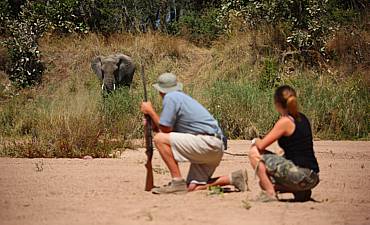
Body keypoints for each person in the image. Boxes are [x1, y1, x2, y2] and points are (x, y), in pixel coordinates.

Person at [140, 72, 247, 194]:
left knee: (159, 139)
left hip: (207, 144)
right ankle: (232, 178)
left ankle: (177, 181)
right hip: (214, 146)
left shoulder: (171, 97)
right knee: (193, 187)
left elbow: (164, 131)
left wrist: (151, 111)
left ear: (160, 91)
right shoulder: (180, 98)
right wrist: (150, 122)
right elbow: (165, 130)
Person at [248, 85, 320, 202]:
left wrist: (255, 140)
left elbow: (261, 145)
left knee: (254, 152)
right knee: (264, 182)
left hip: (300, 175)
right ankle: (300, 191)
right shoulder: (302, 118)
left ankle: (270, 194)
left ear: (277, 103)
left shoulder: (285, 121)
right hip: (313, 177)